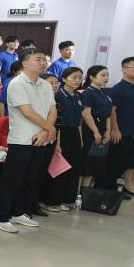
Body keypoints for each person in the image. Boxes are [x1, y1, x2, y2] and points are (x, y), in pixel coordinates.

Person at [0, 49, 56, 233]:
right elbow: (27, 111)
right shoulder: (17, 83)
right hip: (21, 139)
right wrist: (50, 128)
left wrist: (46, 130)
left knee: (30, 179)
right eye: (38, 59)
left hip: (42, 138)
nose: (43, 62)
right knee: (12, 179)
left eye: (44, 60)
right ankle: (0, 217)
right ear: (25, 63)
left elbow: (53, 110)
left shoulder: (45, 84)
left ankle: (18, 212)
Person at [108, 57, 134, 196]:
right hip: (121, 132)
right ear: (124, 69)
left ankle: (118, 189)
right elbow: (112, 110)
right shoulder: (118, 89)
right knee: (115, 162)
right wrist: (115, 129)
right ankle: (108, 191)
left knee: (127, 162)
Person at [51, 67, 85, 210]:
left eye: (79, 78)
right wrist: (57, 143)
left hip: (74, 132)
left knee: (73, 166)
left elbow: (79, 120)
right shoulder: (58, 96)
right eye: (74, 77)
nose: (77, 80)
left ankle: (67, 199)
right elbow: (57, 121)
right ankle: (54, 201)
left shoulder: (78, 95)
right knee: (60, 168)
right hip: (62, 132)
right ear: (64, 79)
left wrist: (80, 138)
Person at [79, 65, 114, 188]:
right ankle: (78, 193)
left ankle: (87, 191)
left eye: (107, 75)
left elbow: (108, 113)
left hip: (103, 128)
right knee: (86, 162)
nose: (106, 78)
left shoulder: (104, 93)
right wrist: (95, 131)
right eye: (103, 75)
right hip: (90, 129)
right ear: (92, 77)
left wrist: (108, 130)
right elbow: (86, 114)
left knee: (95, 163)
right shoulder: (88, 93)